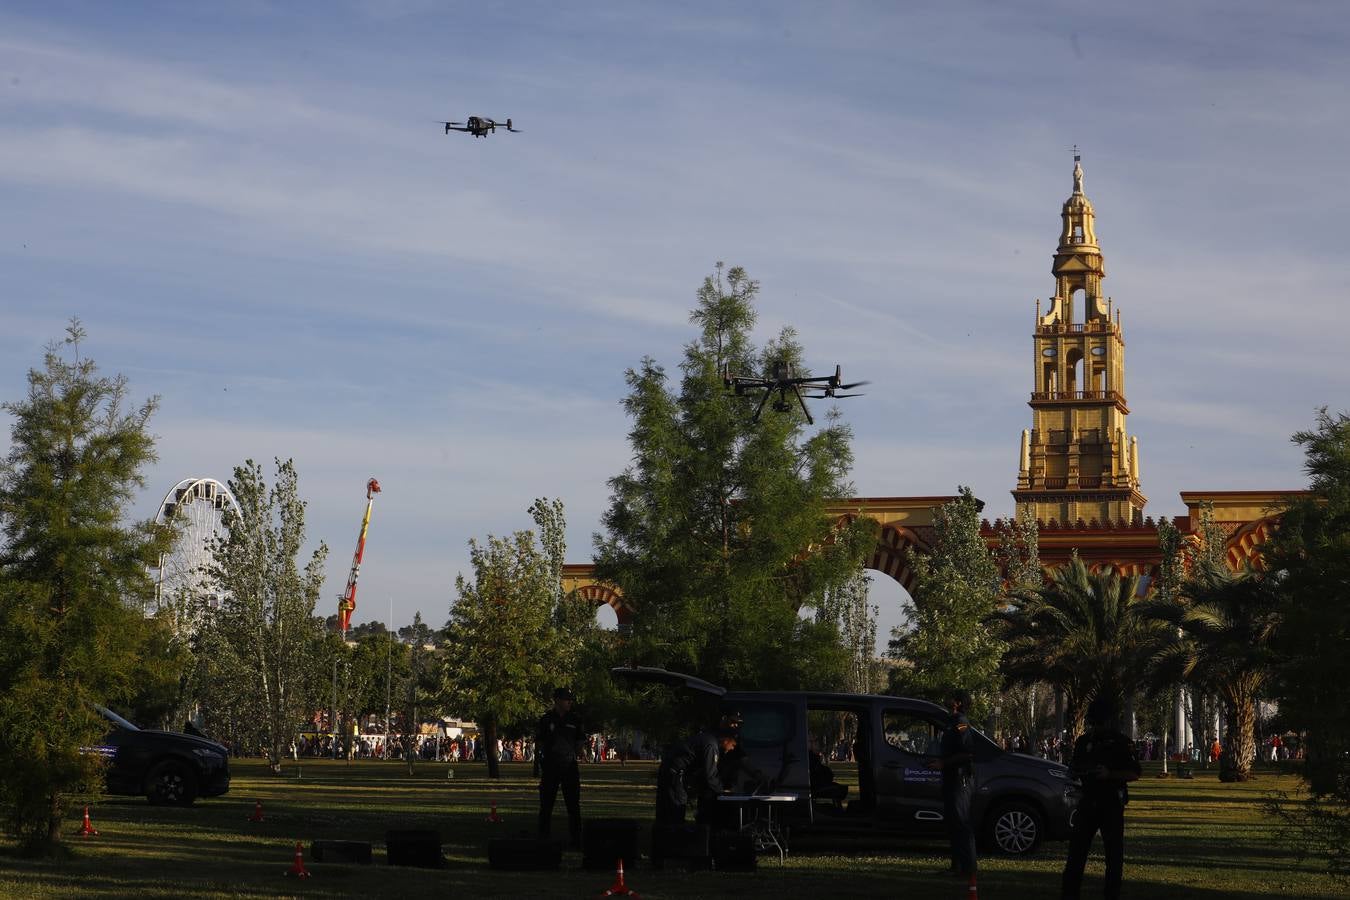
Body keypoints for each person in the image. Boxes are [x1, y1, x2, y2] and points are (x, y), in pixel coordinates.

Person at [1061, 696, 1141, 900]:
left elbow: (1134, 773)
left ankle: (1111, 894)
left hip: (1111, 803)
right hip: (1088, 801)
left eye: (1099, 723)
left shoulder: (1121, 743)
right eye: (1093, 723)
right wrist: (1077, 773)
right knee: (1076, 854)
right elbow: (1075, 767)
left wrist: (1109, 774)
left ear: (1109, 721)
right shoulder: (1083, 742)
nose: (1096, 727)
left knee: (1113, 856)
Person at [926, 688, 977, 879]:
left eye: (950, 698)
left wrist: (943, 763)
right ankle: (957, 867)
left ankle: (969, 868)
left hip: (960, 779)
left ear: (957, 703)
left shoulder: (961, 723)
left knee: (962, 822)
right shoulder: (950, 722)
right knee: (953, 823)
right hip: (950, 778)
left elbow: (967, 753)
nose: (946, 700)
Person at [656, 715, 740, 825]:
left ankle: (667, 831)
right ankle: (673, 834)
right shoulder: (711, 746)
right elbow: (710, 775)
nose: (732, 748)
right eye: (733, 745)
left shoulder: (708, 739)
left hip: (671, 771)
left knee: (667, 807)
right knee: (676, 806)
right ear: (726, 740)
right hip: (675, 774)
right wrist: (721, 792)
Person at [535, 686, 584, 847]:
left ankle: (576, 839)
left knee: (573, 805)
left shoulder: (575, 719)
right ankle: (543, 837)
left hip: (569, 767)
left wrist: (575, 753)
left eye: (570, 699)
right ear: (557, 700)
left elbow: (579, 742)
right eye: (566, 699)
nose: (570, 702)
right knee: (546, 804)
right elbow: (540, 742)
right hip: (551, 767)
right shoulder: (546, 719)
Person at [809, 736, 848, 807]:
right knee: (839, 789)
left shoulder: (812, 757)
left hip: (818, 783)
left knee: (839, 788)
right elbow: (823, 773)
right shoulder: (811, 758)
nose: (817, 745)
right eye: (815, 742)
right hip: (817, 785)